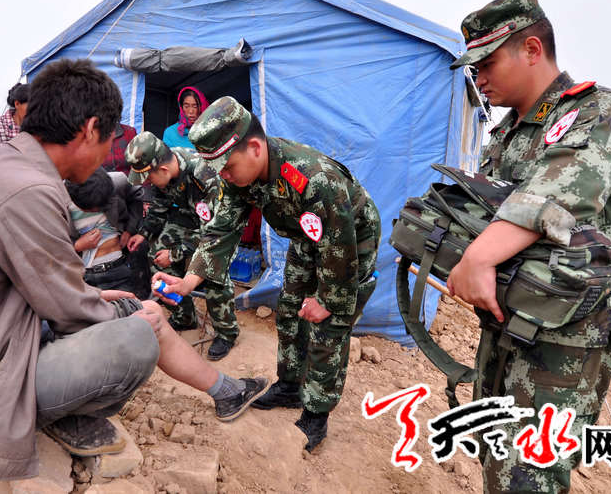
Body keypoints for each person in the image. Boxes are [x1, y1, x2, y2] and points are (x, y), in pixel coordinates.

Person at [0, 59, 268, 484]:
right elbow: (69, 310)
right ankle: (58, 414)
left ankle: (224, 390)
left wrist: (95, 297)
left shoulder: (7, 167)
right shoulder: (29, 190)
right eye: (109, 141)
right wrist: (116, 308)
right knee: (139, 334)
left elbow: (48, 288)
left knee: (131, 308)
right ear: (91, 130)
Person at [446, 0, 611, 493]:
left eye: (486, 63)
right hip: (510, 317)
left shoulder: (598, 110)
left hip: (567, 333)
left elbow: (560, 195)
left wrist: (477, 258)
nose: (478, 78)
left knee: (530, 474)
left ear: (532, 49)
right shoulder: (507, 133)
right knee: (497, 453)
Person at [153, 96, 381, 452]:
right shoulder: (236, 176)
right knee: (289, 309)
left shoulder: (313, 178)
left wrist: (326, 300)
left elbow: (339, 247)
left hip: (350, 240)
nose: (224, 176)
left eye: (227, 167)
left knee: (328, 324)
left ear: (255, 148)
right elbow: (221, 230)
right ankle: (290, 385)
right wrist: (188, 281)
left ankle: (317, 411)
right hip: (307, 238)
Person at [125, 131, 239, 360]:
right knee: (157, 257)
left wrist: (175, 254)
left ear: (163, 170)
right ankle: (184, 316)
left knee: (212, 272)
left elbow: (213, 233)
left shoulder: (205, 176)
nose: (147, 183)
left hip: (221, 230)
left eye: (149, 179)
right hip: (190, 219)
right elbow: (160, 207)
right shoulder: (166, 168)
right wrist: (144, 234)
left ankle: (226, 333)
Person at [66, 167, 150, 299]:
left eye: (103, 206)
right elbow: (48, 244)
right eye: (93, 209)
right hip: (86, 277)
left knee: (134, 306)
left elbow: (136, 195)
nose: (99, 210)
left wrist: (129, 230)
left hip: (120, 267)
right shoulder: (58, 199)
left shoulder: (117, 182)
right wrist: (77, 245)